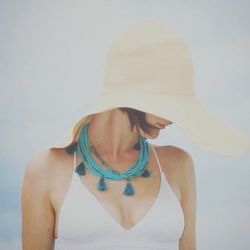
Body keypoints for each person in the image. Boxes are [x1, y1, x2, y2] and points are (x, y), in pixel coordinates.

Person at [21, 20, 250, 250]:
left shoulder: (179, 165)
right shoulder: (45, 169)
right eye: (167, 104)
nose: (172, 118)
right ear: (132, 92)